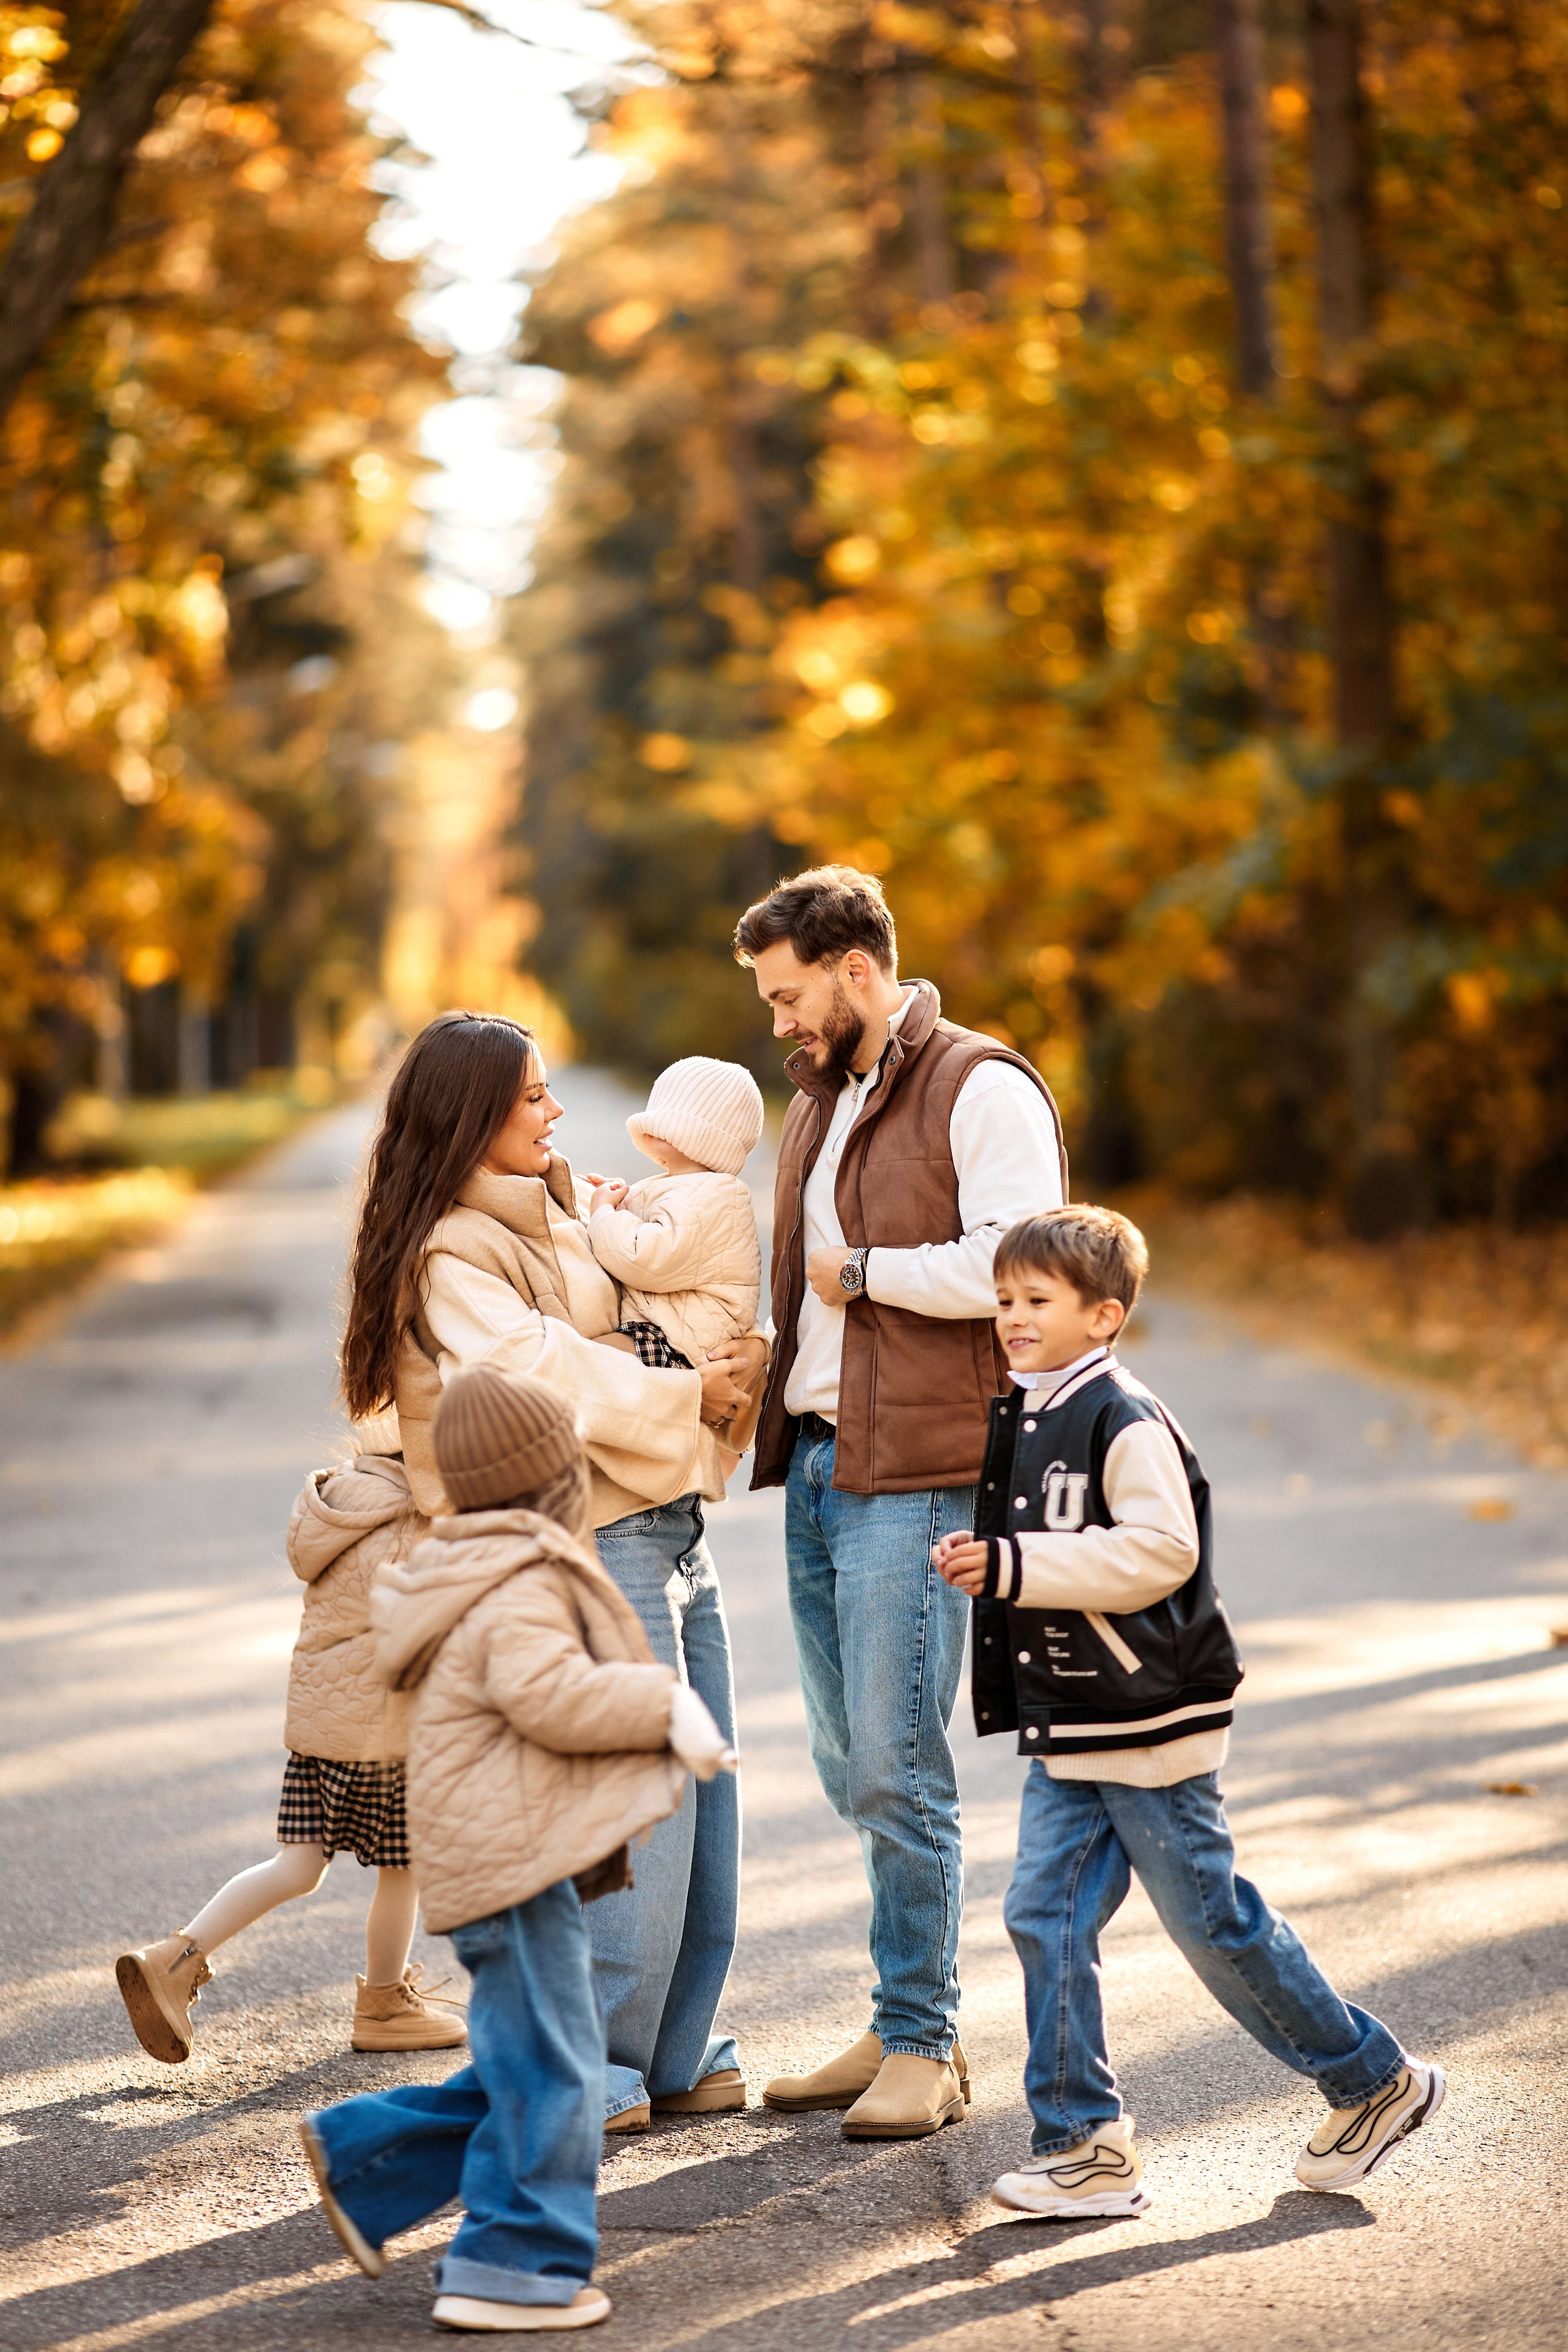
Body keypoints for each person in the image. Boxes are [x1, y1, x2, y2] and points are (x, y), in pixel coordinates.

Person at [937, 1204, 1447, 2217]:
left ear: (1106, 1316)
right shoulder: (1034, 1410)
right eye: (1003, 1300)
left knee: (1211, 1919)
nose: (1013, 1318)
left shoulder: (1121, 1416)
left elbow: (1160, 1551)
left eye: (1037, 1301)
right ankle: (1087, 2145)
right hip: (1076, 1723)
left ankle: (1371, 2078)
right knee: (1043, 1915)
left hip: (1150, 1722)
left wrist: (1013, 1566)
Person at [339, 1009, 767, 2131]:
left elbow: (649, 1318)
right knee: (636, 1810)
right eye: (532, 1096)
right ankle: (596, 2062)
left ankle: (670, 2048)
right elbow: (540, 1372)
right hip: (594, 1535)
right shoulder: (451, 1249)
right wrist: (682, 1384)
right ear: (473, 1116)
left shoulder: (557, 1208)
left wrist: (726, 1360)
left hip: (669, 1524)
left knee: (703, 1802)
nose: (556, 1110)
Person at [733, 866, 1068, 2138]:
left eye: (787, 996)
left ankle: (924, 2043)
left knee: (894, 1757)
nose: (779, 1023)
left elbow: (1025, 1261)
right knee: (845, 1760)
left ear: (855, 970)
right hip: (821, 1461)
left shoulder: (977, 1085)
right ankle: (893, 2013)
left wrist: (864, 1271)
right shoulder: (820, 1100)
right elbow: (801, 1288)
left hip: (923, 1466)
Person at [298, 1365, 737, 2334]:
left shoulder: (477, 1560)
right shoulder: (519, 1578)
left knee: (532, 2053)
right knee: (559, 2069)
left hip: (499, 1861)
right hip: (512, 1865)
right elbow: (554, 1695)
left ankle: (368, 2158)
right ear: (551, 1477)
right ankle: (512, 2262)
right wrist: (666, 1705)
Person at [114, 1446, 467, 2065]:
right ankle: (383, 2003)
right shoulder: (417, 1516)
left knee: (297, 1867)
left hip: (324, 1728)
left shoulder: (345, 1500)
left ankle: (175, 1959)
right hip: (384, 1733)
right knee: (404, 1869)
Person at [584, 1057, 764, 1418]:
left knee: (589, 1366)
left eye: (666, 1123)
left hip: (686, 1346)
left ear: (703, 1139)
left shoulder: (711, 1197)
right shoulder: (688, 1188)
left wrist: (603, 1215)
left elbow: (646, 1257)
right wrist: (621, 1202)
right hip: (671, 1331)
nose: (649, 1127)